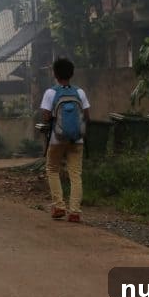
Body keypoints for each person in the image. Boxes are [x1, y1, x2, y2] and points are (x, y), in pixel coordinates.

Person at [40, 57, 90, 223]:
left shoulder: (50, 93)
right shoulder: (80, 92)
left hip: (57, 139)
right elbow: (86, 115)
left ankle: (59, 206)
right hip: (77, 140)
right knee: (75, 174)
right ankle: (75, 211)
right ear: (72, 73)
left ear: (54, 74)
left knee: (53, 169)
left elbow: (46, 116)